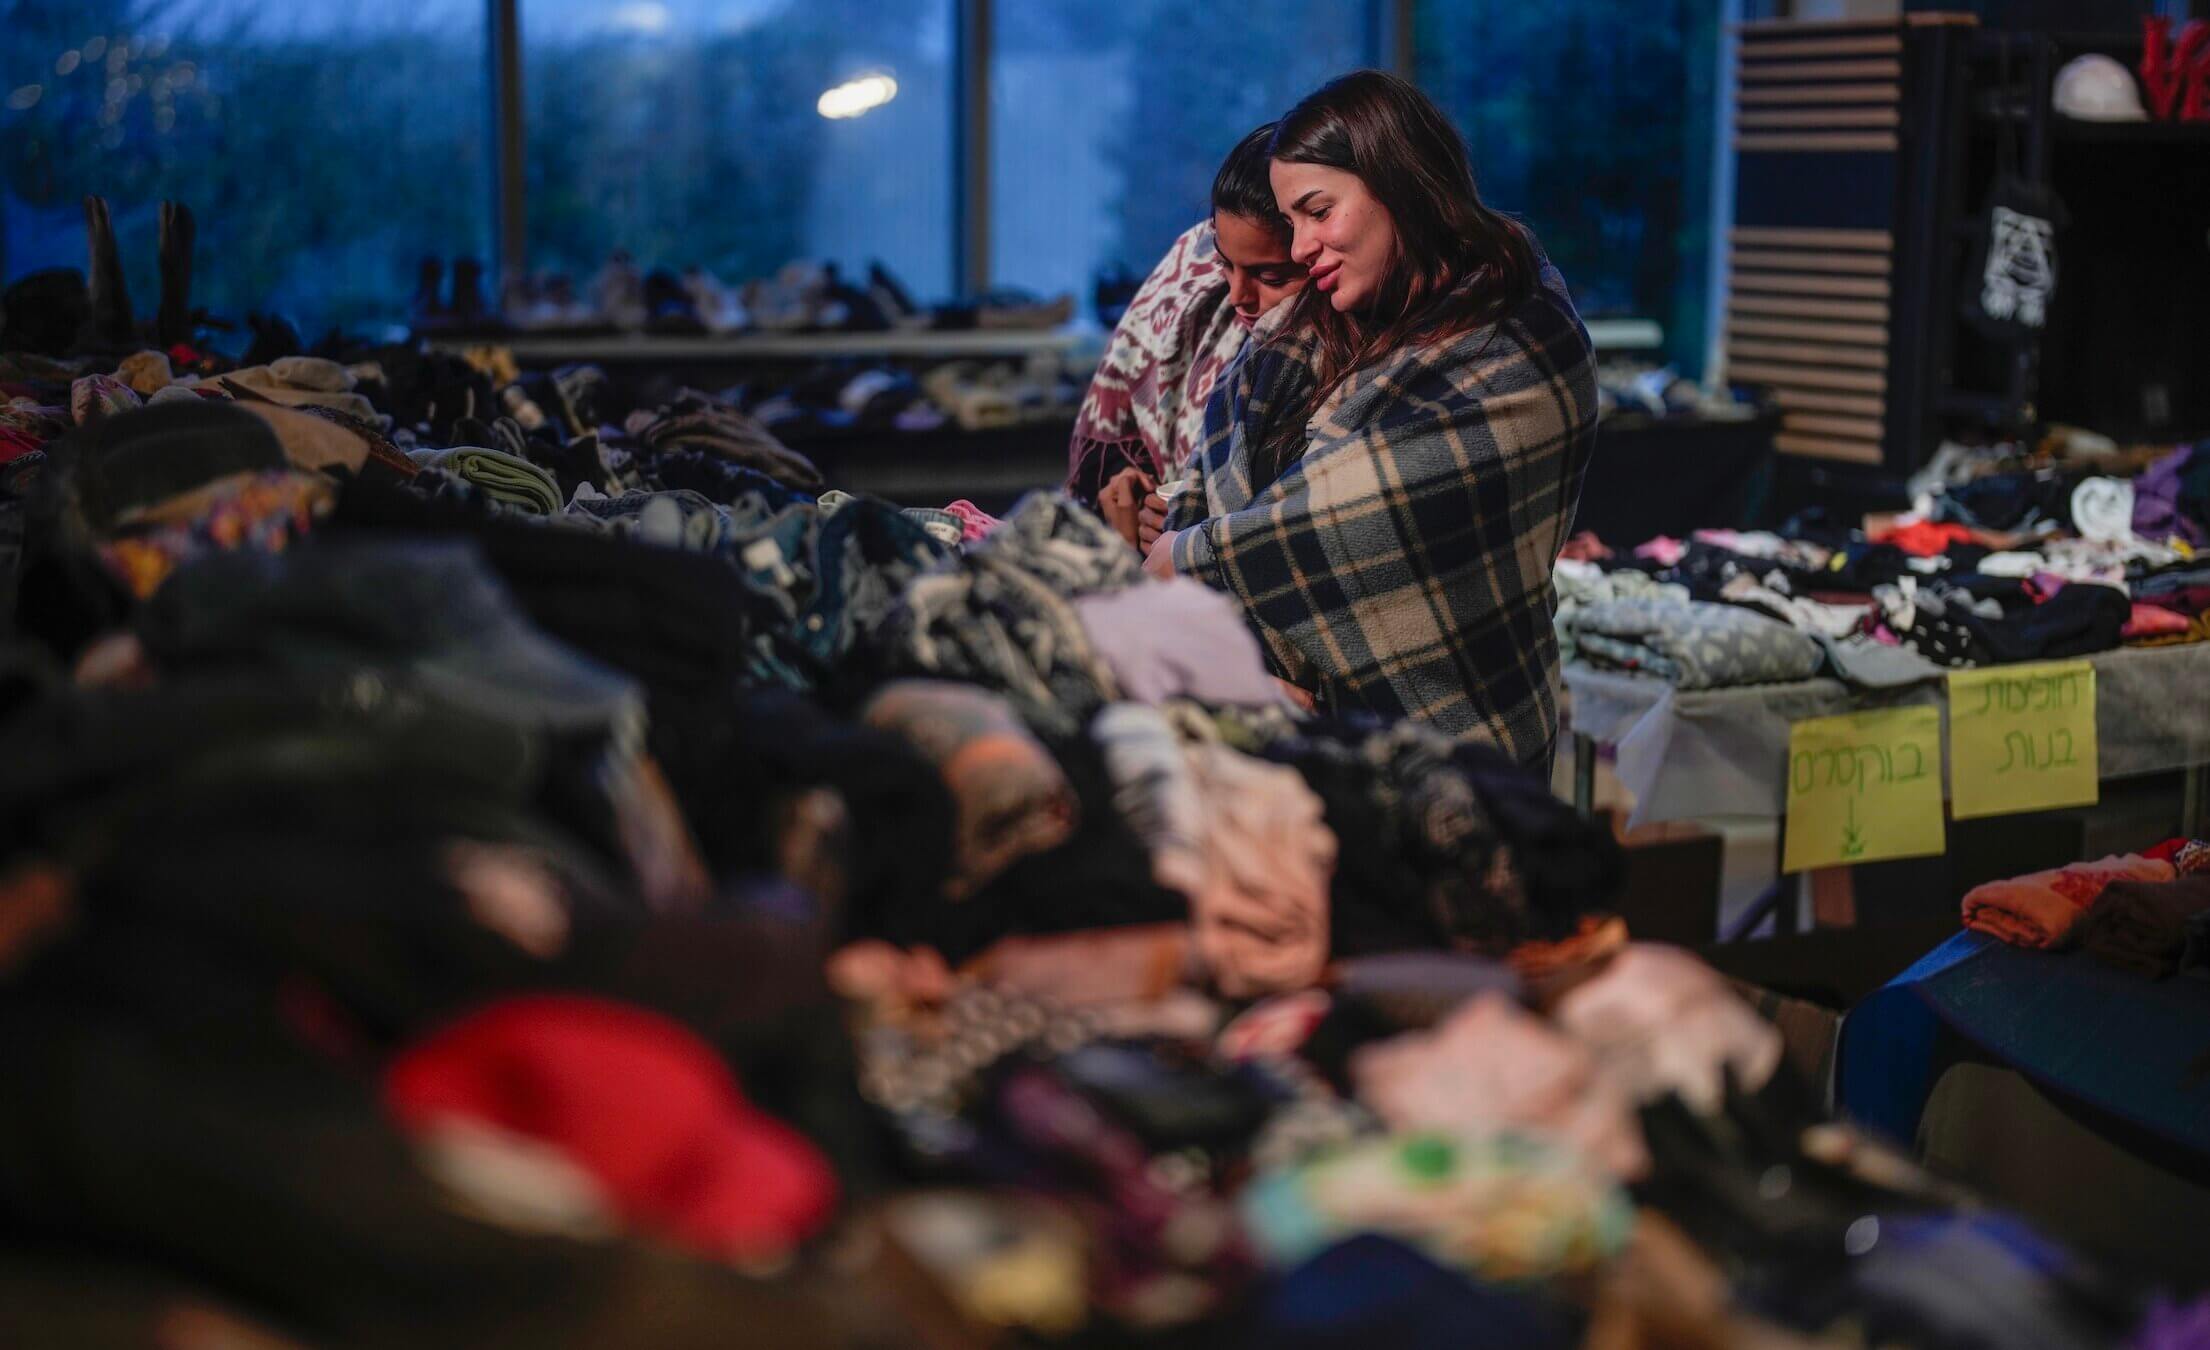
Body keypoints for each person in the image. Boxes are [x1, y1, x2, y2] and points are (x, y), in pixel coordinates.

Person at [1144, 71, 1599, 773]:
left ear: (1399, 182)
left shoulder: (1519, 342)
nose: (1299, 247)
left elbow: (1355, 514)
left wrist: (1186, 556)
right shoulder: (1304, 335)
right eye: (1291, 222)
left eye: (1318, 212)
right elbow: (1220, 475)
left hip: (1464, 747)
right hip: (1294, 751)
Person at [1069, 125, 1310, 548]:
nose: (1238, 297)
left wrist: (1191, 533)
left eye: (1270, 276)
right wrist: (1137, 513)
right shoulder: (1192, 281)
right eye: (1225, 264)